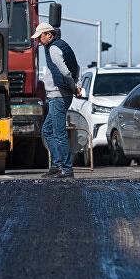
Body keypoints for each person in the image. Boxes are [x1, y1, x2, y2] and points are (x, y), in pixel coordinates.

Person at [33, 22, 82, 178]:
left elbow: (66, 73)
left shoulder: (53, 49)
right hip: (60, 95)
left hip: (58, 96)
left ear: (49, 34)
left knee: (59, 133)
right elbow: (77, 67)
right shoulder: (61, 46)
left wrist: (74, 88)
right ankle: (57, 165)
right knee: (47, 130)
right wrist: (76, 87)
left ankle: (66, 169)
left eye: (40, 37)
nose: (39, 41)